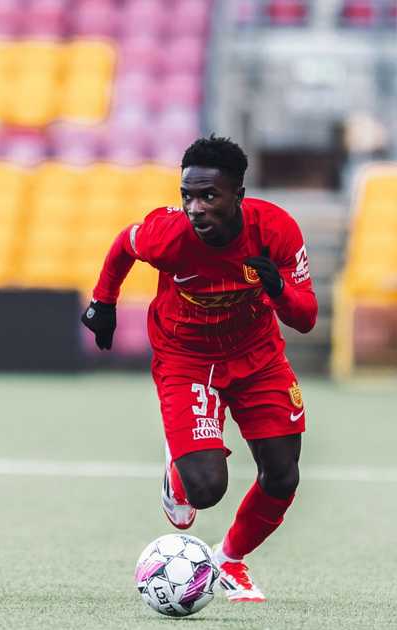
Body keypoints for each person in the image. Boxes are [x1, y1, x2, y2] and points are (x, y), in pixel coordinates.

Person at [80, 135, 317, 602]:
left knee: (283, 475)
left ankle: (229, 559)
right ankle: (179, 468)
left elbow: (306, 318)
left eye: (209, 196)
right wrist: (102, 302)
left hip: (257, 357)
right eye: (187, 195)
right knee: (207, 490)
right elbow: (124, 244)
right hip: (186, 358)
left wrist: (279, 291)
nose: (195, 208)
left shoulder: (277, 231)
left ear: (239, 197)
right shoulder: (168, 235)